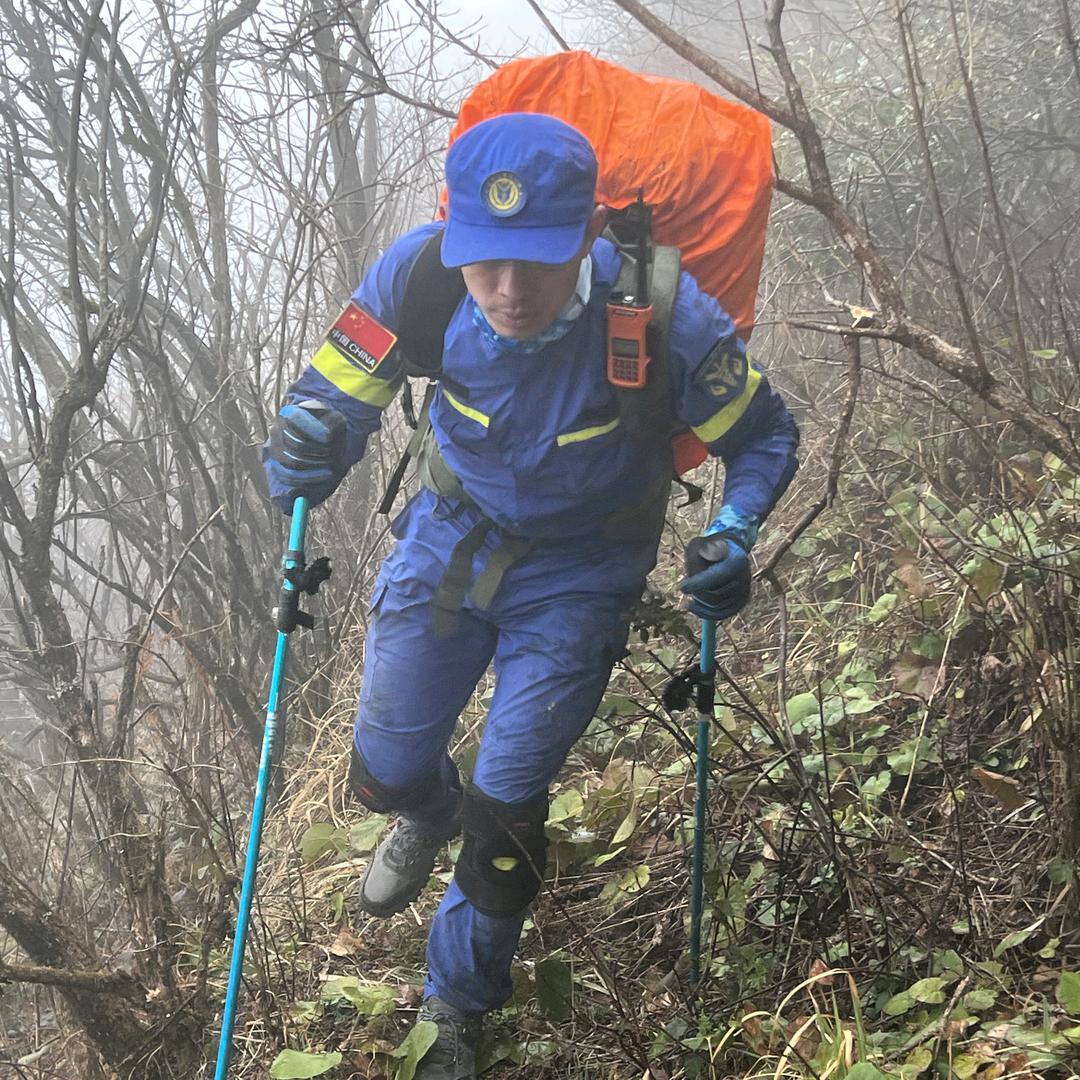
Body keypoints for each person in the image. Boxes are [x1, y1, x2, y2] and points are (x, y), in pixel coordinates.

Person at [264, 112, 798, 1079]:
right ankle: (425, 807)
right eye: (488, 261)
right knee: (383, 767)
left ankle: (456, 1006)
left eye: (539, 262)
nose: (508, 291)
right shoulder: (420, 279)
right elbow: (334, 393)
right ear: (458, 238)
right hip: (448, 538)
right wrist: (303, 444)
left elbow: (762, 437)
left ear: (590, 235)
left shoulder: (666, 318)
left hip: (582, 573)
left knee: (509, 811)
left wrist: (733, 529)